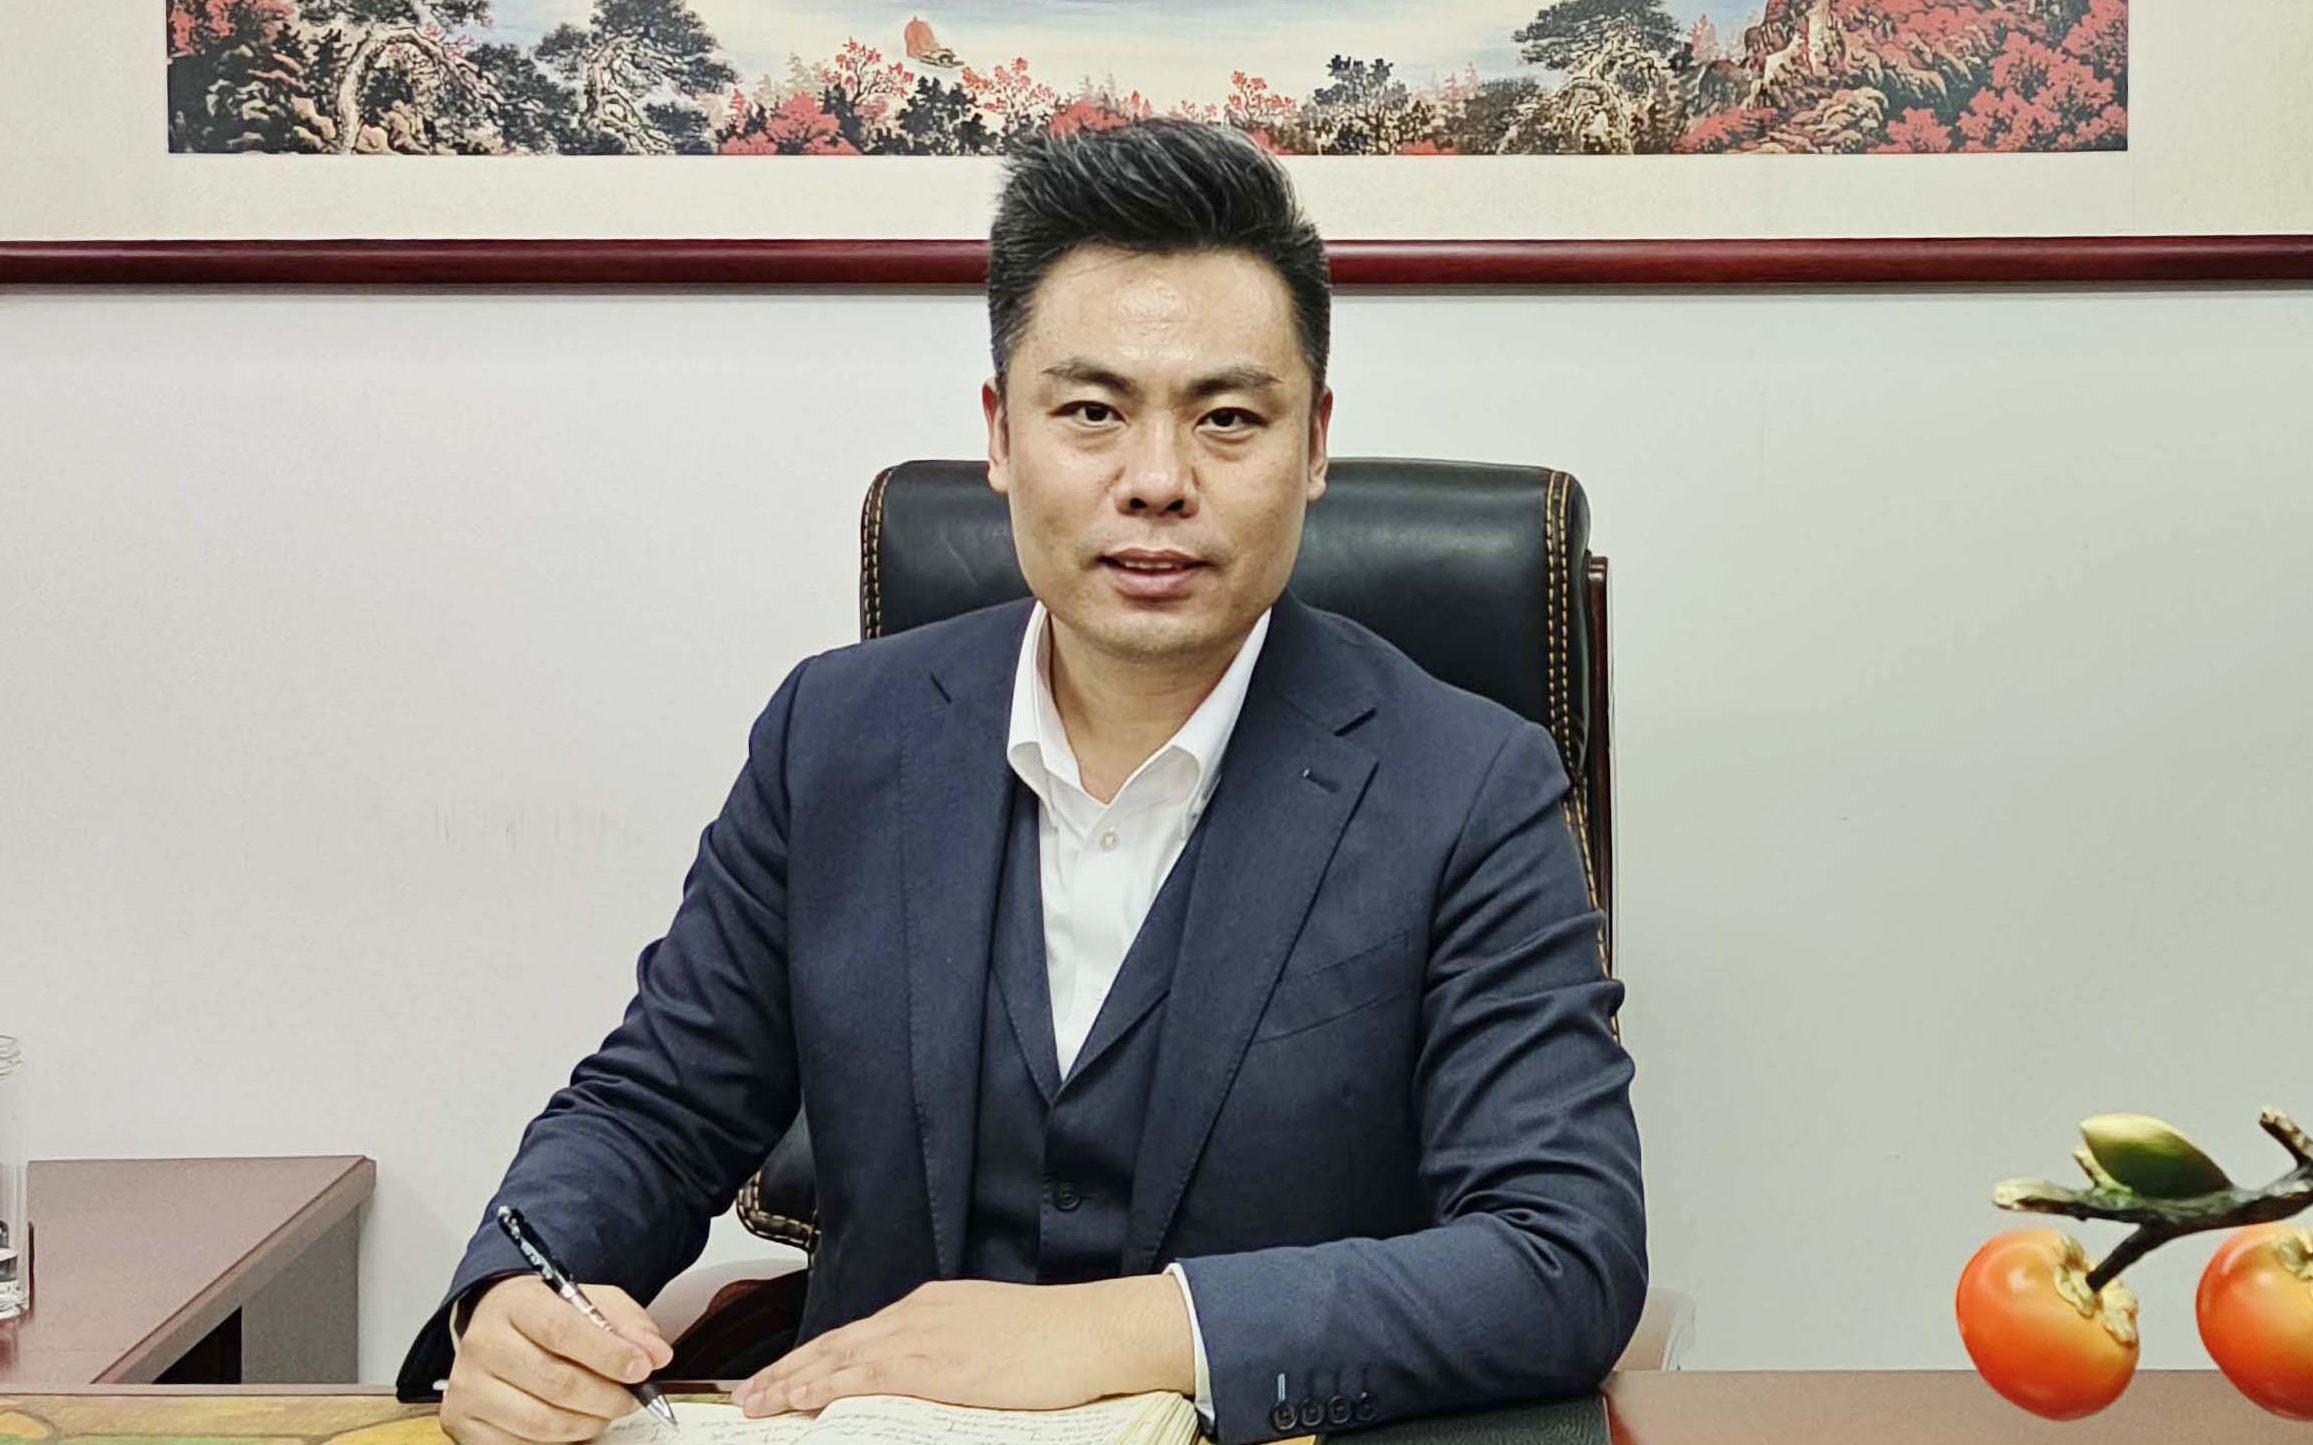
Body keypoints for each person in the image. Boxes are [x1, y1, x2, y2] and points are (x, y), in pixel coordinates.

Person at [400, 120, 1646, 1445]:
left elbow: (1560, 1254)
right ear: (1001, 434)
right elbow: (654, 1110)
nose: (1157, 482)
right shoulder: (836, 736)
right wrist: (519, 1291)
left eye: (1228, 419)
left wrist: (1126, 1329)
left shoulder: (1468, 783)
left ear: (1315, 444)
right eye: (1091, 413)